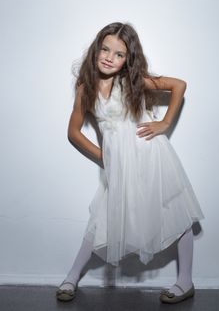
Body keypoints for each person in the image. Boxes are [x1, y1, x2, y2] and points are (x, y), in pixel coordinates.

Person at [56, 22, 204, 304]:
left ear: (127, 59)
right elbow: (73, 132)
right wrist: (104, 157)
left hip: (151, 156)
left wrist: (164, 122)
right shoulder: (85, 89)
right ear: (96, 49)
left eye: (119, 54)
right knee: (102, 219)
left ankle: (185, 281)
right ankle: (72, 277)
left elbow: (178, 85)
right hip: (120, 167)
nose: (109, 57)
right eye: (105, 49)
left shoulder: (132, 82)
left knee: (176, 214)